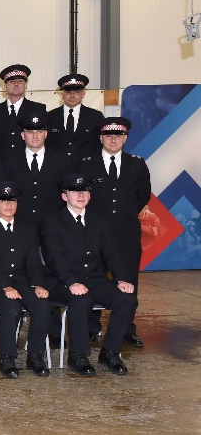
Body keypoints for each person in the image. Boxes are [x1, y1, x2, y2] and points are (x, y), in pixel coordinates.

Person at [40, 174, 138, 376]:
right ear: (64, 196)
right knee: (81, 301)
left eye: (84, 191)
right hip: (60, 281)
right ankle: (78, 355)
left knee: (127, 300)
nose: (80, 195)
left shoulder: (98, 222)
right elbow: (54, 258)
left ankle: (110, 352)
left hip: (94, 279)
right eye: (74, 191)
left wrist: (121, 278)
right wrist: (71, 282)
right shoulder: (52, 222)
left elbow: (112, 254)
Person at [78, 117, 151, 347]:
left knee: (128, 280)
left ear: (125, 138)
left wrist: (122, 216)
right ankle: (91, 327)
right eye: (108, 135)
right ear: (101, 138)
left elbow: (142, 195)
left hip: (126, 234)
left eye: (118, 136)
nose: (112, 140)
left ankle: (127, 328)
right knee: (93, 278)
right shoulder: (87, 164)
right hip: (93, 234)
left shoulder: (137, 164)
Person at [0, 181, 53, 378]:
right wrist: (5, 286)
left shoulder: (27, 230)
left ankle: (35, 356)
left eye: (12, 200)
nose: (8, 205)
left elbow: (34, 263)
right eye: (3, 201)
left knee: (43, 305)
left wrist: (38, 284)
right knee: (11, 307)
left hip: (20, 281)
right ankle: (7, 358)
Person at [1, 113, 70, 228]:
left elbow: (66, 193)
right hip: (19, 226)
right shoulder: (9, 161)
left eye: (40, 131)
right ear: (22, 135)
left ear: (46, 134)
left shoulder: (60, 160)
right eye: (30, 132)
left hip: (53, 226)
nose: (35, 136)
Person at [0, 65, 46, 159]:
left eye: (20, 81)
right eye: (11, 81)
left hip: (27, 163)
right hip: (0, 164)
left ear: (26, 85)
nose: (16, 84)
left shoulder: (38, 109)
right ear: (4, 87)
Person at [46, 74, 105, 166]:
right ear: (62, 94)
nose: (72, 95)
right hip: (57, 169)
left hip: (87, 169)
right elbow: (46, 145)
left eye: (77, 92)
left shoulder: (95, 116)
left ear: (83, 94)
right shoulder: (51, 116)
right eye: (68, 92)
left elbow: (101, 145)